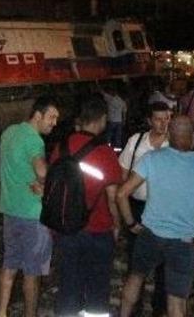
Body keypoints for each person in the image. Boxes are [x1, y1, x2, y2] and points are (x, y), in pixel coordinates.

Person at [117, 116, 194, 317]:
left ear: (169, 134)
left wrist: (130, 223)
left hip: (151, 235)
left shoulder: (152, 159)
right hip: (184, 243)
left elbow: (122, 194)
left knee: (135, 279)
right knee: (176, 302)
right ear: (193, 136)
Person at [48, 97, 122, 317]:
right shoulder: (105, 153)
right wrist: (116, 224)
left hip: (65, 228)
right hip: (98, 231)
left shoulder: (60, 148)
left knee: (68, 284)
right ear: (102, 120)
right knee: (98, 289)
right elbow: (112, 196)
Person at [0, 96, 60, 317]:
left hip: (10, 209)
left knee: (9, 265)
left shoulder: (9, 132)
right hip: (33, 214)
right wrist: (53, 179)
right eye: (51, 117)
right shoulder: (34, 140)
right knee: (32, 274)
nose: (54, 123)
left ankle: (2, 312)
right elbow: (42, 172)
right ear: (37, 115)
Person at [118, 101, 171, 316]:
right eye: (158, 119)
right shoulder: (136, 141)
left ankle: (159, 309)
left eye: (167, 118)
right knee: (136, 263)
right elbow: (123, 173)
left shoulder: (176, 142)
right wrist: (128, 217)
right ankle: (135, 310)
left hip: (165, 210)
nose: (163, 123)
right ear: (149, 121)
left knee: (165, 266)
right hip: (139, 207)